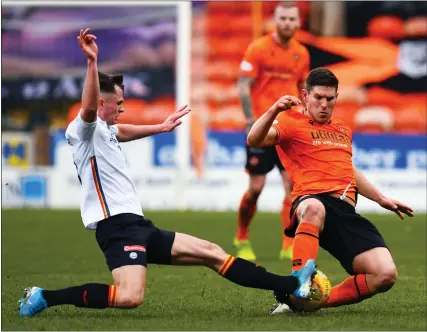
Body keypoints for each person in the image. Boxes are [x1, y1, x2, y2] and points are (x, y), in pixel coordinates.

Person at [18, 28, 318, 318]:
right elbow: (88, 108)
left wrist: (160, 127)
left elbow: (122, 131)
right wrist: (92, 62)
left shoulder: (107, 131)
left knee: (211, 252)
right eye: (118, 103)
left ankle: (291, 286)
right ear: (100, 103)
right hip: (117, 228)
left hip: (138, 225)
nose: (122, 108)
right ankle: (44, 297)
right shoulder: (84, 129)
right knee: (129, 297)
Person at [246, 67, 414, 313]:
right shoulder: (289, 122)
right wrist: (273, 110)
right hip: (311, 201)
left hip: (345, 212)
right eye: (318, 98)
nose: (324, 104)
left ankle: (303, 303)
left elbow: (348, 170)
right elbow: (254, 139)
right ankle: (296, 283)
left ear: (336, 97)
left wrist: (381, 198)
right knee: (314, 208)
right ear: (305, 96)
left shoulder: (343, 129)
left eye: (330, 98)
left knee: (385, 275)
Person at [235, 1, 310, 261]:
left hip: (289, 129)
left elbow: (304, 89)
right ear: (275, 20)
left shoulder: (302, 53)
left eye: (292, 19)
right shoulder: (258, 48)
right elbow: (244, 85)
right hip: (262, 126)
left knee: (291, 186)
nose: (288, 23)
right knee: (256, 188)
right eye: (283, 18)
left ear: (298, 22)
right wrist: (249, 119)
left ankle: (288, 244)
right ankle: (242, 235)